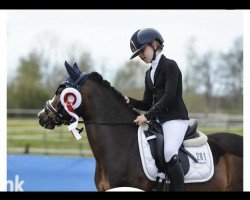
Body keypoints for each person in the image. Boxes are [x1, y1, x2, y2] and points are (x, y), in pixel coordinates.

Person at [125, 28, 189, 191]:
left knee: (169, 152)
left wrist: (146, 116)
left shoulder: (170, 65)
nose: (141, 56)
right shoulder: (149, 73)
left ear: (154, 45)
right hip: (159, 120)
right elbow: (147, 103)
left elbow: (169, 97)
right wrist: (129, 101)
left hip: (175, 119)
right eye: (138, 53)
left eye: (142, 51)